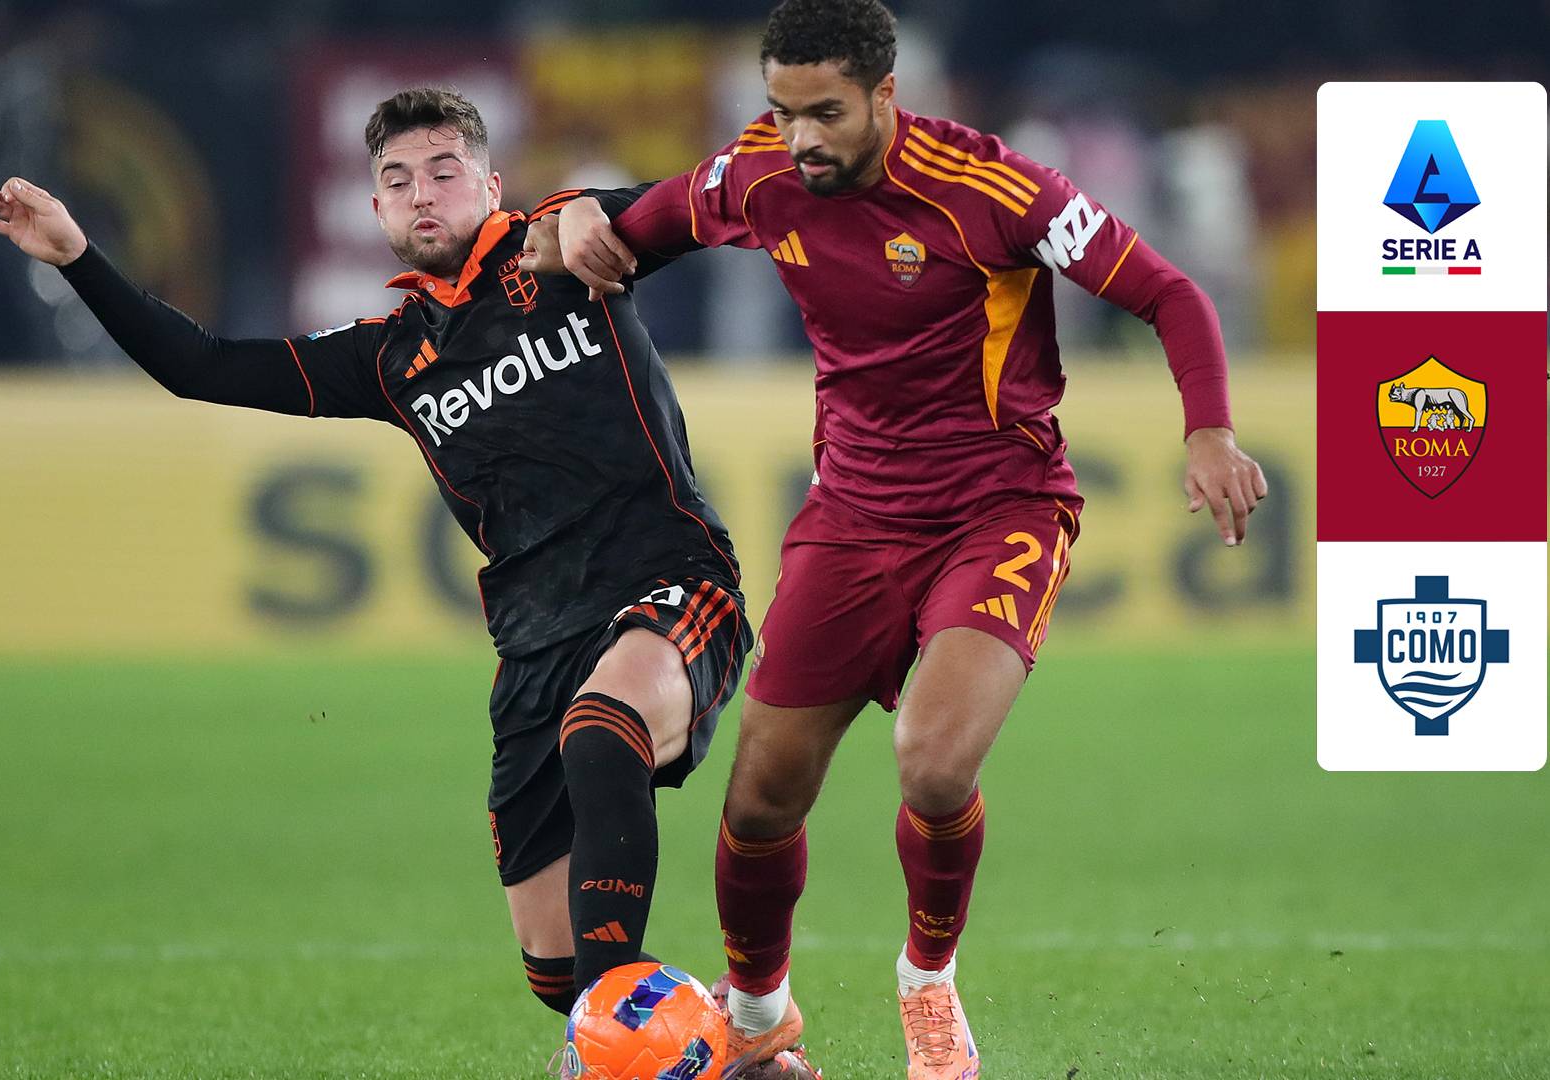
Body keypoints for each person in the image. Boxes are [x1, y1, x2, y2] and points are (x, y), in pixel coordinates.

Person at [525, 1, 1269, 1076]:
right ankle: (758, 1018)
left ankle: (928, 984)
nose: (801, 138)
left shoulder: (993, 190)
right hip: (851, 519)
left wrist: (1209, 431)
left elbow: (1168, 291)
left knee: (930, 759)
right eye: (782, 111)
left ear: (885, 95)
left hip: (1000, 508)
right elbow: (625, 229)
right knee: (761, 797)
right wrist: (567, 223)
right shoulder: (758, 173)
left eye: (824, 113)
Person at [0, 87, 755, 1053]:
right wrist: (76, 257)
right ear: (376, 209)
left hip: (672, 584)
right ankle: (741, 1038)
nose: (422, 193)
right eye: (397, 179)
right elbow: (202, 367)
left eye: (443, 172)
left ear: (490, 186)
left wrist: (599, 205)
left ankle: (608, 1057)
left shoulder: (562, 253)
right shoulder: (390, 357)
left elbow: (695, 204)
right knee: (558, 966)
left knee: (604, 731)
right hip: (535, 641)